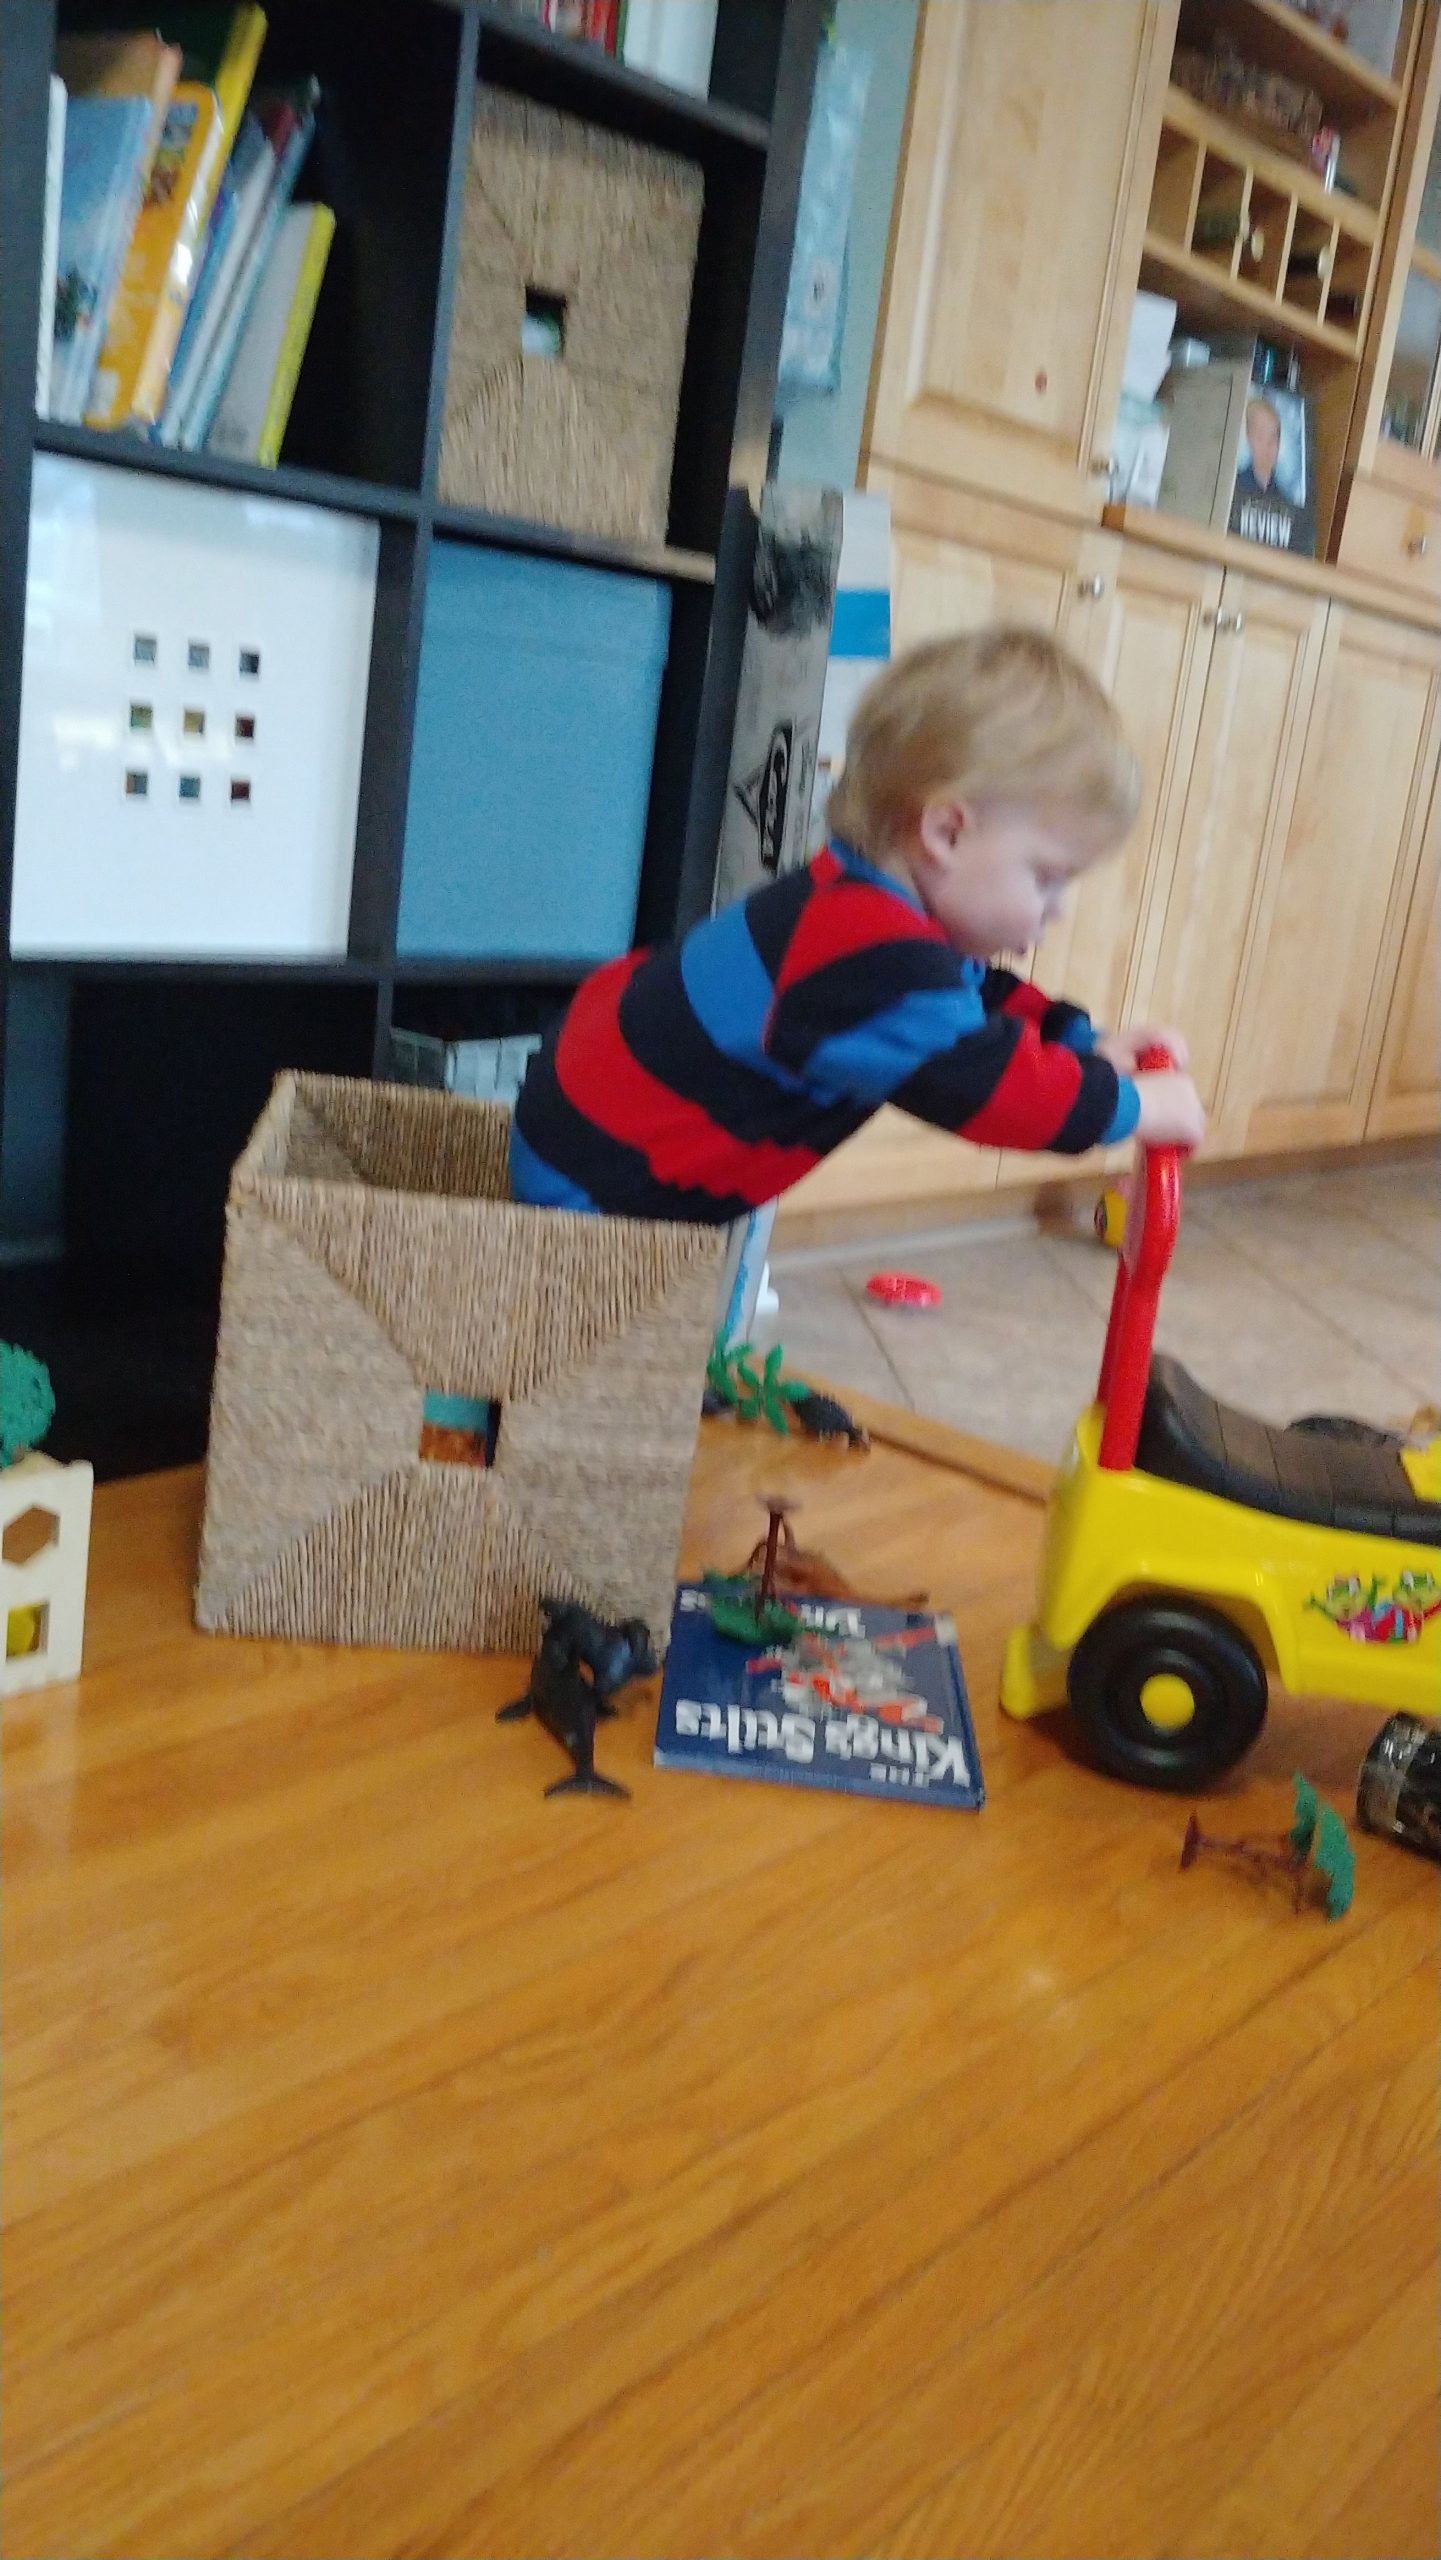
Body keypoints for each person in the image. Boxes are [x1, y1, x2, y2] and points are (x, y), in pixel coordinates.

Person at [510, 624, 1206, 1227]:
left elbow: (974, 1005)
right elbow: (986, 1084)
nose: (1057, 908)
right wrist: (1132, 1108)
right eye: (1047, 877)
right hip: (597, 1184)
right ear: (946, 831)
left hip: (589, 1132)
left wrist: (1085, 1045)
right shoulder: (871, 953)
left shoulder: (864, 910)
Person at [1231, 396, 1306, 550]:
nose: (1268, 446)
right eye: (1261, 437)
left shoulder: (1287, 503)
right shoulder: (1231, 491)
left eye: (1273, 437)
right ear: (1249, 438)